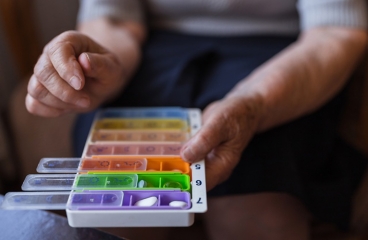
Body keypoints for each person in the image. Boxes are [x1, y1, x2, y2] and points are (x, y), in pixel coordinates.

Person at [25, 0, 367, 239]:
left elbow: (336, 31)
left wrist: (254, 103)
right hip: (147, 50)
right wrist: (100, 64)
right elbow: (114, 20)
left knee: (254, 196)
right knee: (113, 206)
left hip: (288, 54)